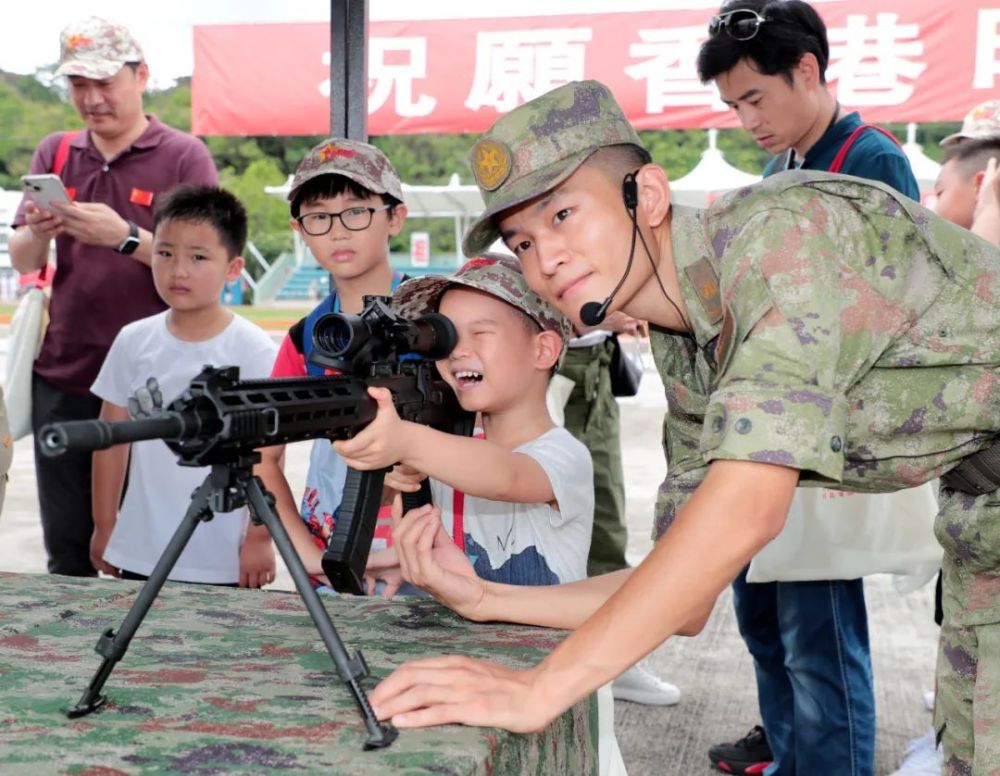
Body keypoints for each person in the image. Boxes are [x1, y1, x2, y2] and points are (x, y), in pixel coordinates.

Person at [364, 80, 1000, 776]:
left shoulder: (780, 240)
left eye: (565, 215)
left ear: (651, 196)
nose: (545, 259)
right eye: (522, 240)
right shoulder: (690, 350)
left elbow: (746, 513)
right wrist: (486, 599)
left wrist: (537, 690)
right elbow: (686, 597)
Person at [695, 2, 922, 772]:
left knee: (818, 630)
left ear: (808, 70)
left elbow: (884, 307)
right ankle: (791, 754)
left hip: (824, 443)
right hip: (773, 433)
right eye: (732, 106)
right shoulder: (781, 165)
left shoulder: (872, 160)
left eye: (755, 98)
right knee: (764, 615)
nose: (746, 119)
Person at [8, 16, 218, 577]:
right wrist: (38, 232)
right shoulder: (56, 152)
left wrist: (124, 237)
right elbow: (24, 260)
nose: (92, 99)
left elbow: (205, 266)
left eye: (105, 83)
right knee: (68, 552)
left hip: (157, 388)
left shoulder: (183, 157)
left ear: (141, 75)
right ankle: (73, 662)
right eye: (79, 85)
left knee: (151, 554)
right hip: (66, 376)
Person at [328, 254, 593, 592]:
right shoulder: (445, 449)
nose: (456, 351)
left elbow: (505, 476)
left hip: (542, 643)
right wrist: (392, 472)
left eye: (480, 332)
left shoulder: (566, 456)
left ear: (543, 351)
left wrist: (407, 442)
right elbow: (381, 498)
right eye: (446, 337)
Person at [89, 185, 277, 586]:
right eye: (165, 253)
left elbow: (268, 457)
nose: (178, 271)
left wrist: (260, 536)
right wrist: (105, 524)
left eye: (198, 257)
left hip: (222, 555)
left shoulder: (254, 350)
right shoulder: (132, 340)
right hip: (141, 549)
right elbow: (111, 442)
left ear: (233, 268)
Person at [255, 138, 412, 592]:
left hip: (435, 561)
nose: (338, 231)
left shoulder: (439, 323)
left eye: (356, 210)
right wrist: (309, 554)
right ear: (300, 230)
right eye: (319, 217)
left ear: (394, 217)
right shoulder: (305, 341)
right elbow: (263, 458)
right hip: (334, 566)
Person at [559, 315, 683, 706]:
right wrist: (581, 319)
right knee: (535, 520)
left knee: (605, 517)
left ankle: (614, 658)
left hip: (597, 363)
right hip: (547, 366)